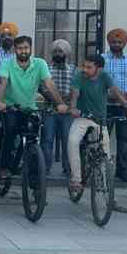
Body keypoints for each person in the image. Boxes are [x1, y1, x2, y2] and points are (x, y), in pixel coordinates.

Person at [0, 36, 68, 181]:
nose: (23, 51)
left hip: (30, 108)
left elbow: (49, 84)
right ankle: (3, 166)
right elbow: (3, 83)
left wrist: (60, 103)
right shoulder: (7, 63)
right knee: (10, 131)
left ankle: (33, 177)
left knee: (32, 137)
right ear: (15, 50)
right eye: (20, 48)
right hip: (10, 107)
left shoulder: (40, 64)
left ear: (30, 49)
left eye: (26, 48)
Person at [68, 54, 127, 194]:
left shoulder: (105, 76)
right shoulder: (79, 76)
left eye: (89, 67)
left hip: (100, 119)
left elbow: (116, 93)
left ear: (98, 69)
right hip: (83, 117)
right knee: (72, 141)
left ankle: (105, 187)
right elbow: (74, 95)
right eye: (84, 66)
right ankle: (76, 179)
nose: (85, 69)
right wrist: (73, 108)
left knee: (105, 153)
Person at [102, 28, 127, 183]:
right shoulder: (102, 58)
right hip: (106, 105)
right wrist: (107, 95)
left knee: (123, 140)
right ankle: (101, 171)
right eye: (113, 42)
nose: (116, 44)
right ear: (109, 42)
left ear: (124, 43)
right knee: (103, 139)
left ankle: (122, 171)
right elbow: (97, 79)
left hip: (126, 106)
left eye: (119, 42)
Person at [40, 39, 76, 176]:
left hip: (67, 112)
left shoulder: (74, 69)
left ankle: (68, 169)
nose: (58, 53)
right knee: (47, 140)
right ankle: (45, 168)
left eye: (60, 51)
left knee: (68, 140)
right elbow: (43, 88)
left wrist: (68, 102)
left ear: (66, 53)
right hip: (50, 110)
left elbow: (76, 88)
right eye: (55, 51)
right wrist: (57, 101)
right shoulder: (47, 69)